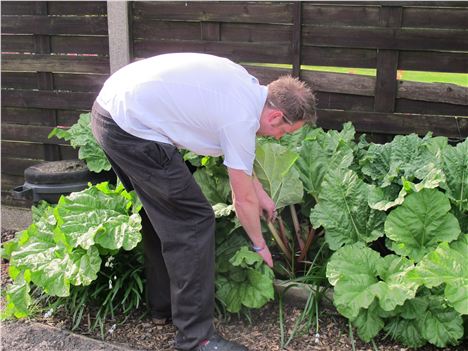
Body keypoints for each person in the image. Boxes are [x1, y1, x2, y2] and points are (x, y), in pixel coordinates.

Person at [91, 53, 316, 351]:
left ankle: (164, 307)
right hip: (131, 127)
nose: (277, 138)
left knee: (163, 213)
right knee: (194, 221)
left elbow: (242, 168)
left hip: (111, 111)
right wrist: (259, 245)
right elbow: (241, 198)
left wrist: (261, 192)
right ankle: (197, 339)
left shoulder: (245, 88)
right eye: (283, 132)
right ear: (276, 116)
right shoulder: (240, 118)